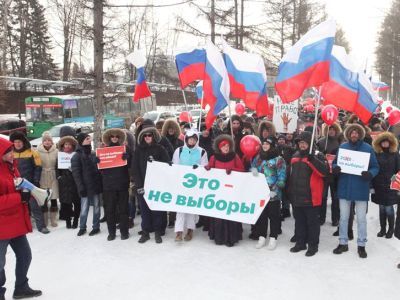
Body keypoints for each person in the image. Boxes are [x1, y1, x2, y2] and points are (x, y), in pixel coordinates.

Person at [0, 137, 42, 300]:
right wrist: (19, 198)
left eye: (11, 150)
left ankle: (21, 288)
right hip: (2, 226)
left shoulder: (12, 168)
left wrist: (30, 190)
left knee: (25, 255)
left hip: (15, 222)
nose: (12, 154)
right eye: (7, 152)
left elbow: (17, 187)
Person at [332, 123, 379, 258]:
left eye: (356, 132)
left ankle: (361, 245)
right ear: (348, 134)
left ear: (360, 134)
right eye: (352, 132)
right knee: (344, 218)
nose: (354, 134)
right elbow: (335, 163)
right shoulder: (343, 147)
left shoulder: (367, 148)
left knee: (361, 219)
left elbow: (375, 167)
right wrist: (335, 168)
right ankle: (343, 242)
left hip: (361, 188)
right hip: (345, 187)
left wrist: (370, 174)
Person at [288, 131, 328, 257]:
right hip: (297, 196)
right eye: (300, 143)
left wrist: (313, 160)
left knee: (312, 223)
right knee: (299, 221)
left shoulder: (318, 155)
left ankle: (313, 245)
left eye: (304, 143)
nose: (302, 145)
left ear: (309, 143)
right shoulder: (295, 155)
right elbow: (291, 175)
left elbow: (324, 173)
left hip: (312, 197)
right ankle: (300, 243)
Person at [132, 126, 170, 244]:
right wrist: (139, 185)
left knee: (157, 210)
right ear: (143, 137)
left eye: (150, 135)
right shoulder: (138, 150)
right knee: (144, 210)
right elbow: (135, 169)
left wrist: (157, 162)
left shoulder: (160, 149)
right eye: (145, 135)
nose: (148, 137)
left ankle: (158, 232)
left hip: (157, 185)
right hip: (143, 185)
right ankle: (146, 232)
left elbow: (167, 164)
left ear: (153, 136)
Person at [206, 134, 245, 247]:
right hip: (218, 191)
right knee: (219, 213)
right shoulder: (213, 157)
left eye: (227, 146)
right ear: (219, 147)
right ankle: (219, 236)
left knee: (230, 213)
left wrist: (232, 169)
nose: (226, 148)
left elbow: (242, 170)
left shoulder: (234, 156)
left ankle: (231, 238)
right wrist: (207, 168)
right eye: (223, 146)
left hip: (231, 191)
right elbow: (209, 169)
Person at [9, 131, 49, 234]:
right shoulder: (10, 154)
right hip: (15, 184)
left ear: (23, 142)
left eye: (19, 141)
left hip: (29, 184)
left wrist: (35, 181)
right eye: (15, 142)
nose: (17, 144)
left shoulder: (32, 152)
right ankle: (20, 226)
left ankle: (41, 226)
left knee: (34, 205)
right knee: (17, 206)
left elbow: (38, 167)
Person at [172, 129, 208, 242]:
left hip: (194, 184)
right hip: (181, 184)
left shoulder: (202, 152)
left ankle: (190, 230)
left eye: (194, 139)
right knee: (180, 208)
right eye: (189, 139)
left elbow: (205, 167)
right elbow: (175, 165)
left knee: (191, 208)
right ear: (186, 139)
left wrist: (199, 169)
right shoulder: (179, 150)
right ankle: (178, 231)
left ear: (196, 140)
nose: (191, 141)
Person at [251, 136, 286, 250]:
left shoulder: (278, 159)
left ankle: (273, 237)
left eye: (267, 144)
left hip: (273, 193)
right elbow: (252, 168)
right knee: (262, 216)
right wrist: (253, 170)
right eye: (264, 143)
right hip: (260, 192)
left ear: (272, 145)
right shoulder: (259, 157)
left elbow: (282, 176)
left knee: (274, 216)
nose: (265, 146)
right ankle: (262, 237)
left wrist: (275, 190)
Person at [100, 128, 130, 241]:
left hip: (122, 184)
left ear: (119, 138)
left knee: (123, 210)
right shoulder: (103, 151)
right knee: (110, 210)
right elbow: (99, 170)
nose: (114, 138)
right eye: (112, 136)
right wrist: (97, 162)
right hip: (109, 185)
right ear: (109, 138)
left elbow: (131, 165)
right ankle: (111, 232)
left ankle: (124, 231)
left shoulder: (125, 149)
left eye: (116, 136)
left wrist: (128, 158)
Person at [71, 133, 102, 237]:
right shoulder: (76, 156)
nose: (89, 140)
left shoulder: (93, 154)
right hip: (85, 187)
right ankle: (82, 227)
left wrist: (99, 163)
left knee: (97, 207)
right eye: (87, 139)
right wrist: (81, 188)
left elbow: (98, 171)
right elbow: (76, 174)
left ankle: (96, 227)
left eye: (89, 138)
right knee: (84, 209)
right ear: (81, 141)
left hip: (95, 186)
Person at [371, 132, 400, 239]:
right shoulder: (376, 153)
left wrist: (395, 180)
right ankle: (382, 228)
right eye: (383, 141)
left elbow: (398, 170)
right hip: (378, 184)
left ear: (391, 142)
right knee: (381, 208)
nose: (385, 143)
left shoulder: (395, 153)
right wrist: (371, 186)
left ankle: (391, 229)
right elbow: (372, 168)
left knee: (389, 208)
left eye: (387, 141)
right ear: (379, 142)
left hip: (391, 185)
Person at [317, 122, 342, 226]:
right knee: (323, 197)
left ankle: (335, 219)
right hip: (324, 173)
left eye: (333, 129)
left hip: (335, 175)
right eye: (329, 129)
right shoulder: (321, 141)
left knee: (335, 197)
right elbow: (316, 155)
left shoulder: (340, 142)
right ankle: (321, 218)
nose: (331, 131)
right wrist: (321, 154)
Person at [161, 119, 184, 228]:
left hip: (177, 172)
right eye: (169, 128)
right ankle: (165, 218)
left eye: (173, 128)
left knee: (174, 196)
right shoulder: (161, 141)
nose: (171, 130)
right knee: (165, 196)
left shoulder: (180, 142)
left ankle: (172, 219)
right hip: (165, 172)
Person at [57, 135, 81, 229]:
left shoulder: (76, 155)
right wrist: (59, 177)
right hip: (64, 183)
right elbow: (57, 168)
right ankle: (68, 221)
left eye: (69, 144)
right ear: (63, 145)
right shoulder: (59, 156)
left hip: (75, 182)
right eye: (66, 144)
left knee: (77, 203)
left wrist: (74, 170)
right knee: (66, 204)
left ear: (73, 146)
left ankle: (75, 220)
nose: (67, 146)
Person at [37, 132, 59, 227]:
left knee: (54, 199)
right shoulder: (37, 151)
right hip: (42, 176)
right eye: (45, 140)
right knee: (44, 199)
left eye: (49, 140)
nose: (47, 142)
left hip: (53, 176)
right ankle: (45, 221)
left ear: (52, 141)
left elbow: (60, 164)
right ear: (42, 142)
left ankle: (53, 220)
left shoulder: (57, 151)